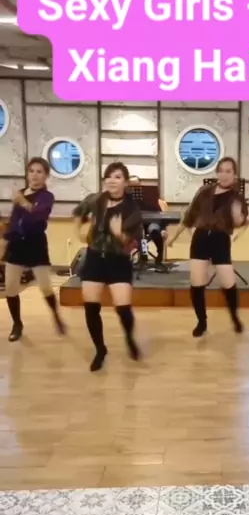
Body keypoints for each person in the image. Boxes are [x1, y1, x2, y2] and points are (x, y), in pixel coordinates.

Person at [72, 162, 143, 372]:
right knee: (91, 306)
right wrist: (79, 231)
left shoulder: (131, 208)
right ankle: (100, 349)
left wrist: (119, 233)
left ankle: (129, 337)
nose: (112, 181)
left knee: (123, 309)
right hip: (94, 257)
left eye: (118, 177)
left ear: (126, 183)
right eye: (109, 176)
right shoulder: (96, 200)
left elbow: (132, 244)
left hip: (118, 260)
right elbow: (78, 212)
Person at [167, 157, 248, 337]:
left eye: (229, 171)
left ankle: (234, 317)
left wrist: (238, 219)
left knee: (228, 282)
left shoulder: (236, 197)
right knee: (197, 283)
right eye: (222, 170)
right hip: (201, 237)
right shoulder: (205, 191)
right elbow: (189, 216)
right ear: (217, 172)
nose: (224, 175)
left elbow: (241, 222)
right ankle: (201, 322)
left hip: (221, 239)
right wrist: (174, 236)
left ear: (234, 175)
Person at [0, 157, 65, 342]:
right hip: (16, 244)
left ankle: (56, 315)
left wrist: (22, 201)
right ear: (27, 173)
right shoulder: (21, 194)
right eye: (32, 171)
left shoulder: (46, 196)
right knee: (11, 287)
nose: (35, 175)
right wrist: (5, 241)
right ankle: (17, 324)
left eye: (39, 172)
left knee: (45, 286)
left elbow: (39, 215)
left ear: (46, 176)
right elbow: (14, 221)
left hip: (36, 244)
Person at [129, 176, 167, 267]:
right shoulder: (126, 199)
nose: (134, 188)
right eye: (131, 185)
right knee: (139, 233)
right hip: (136, 225)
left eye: (136, 185)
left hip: (151, 222)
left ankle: (159, 257)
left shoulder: (149, 197)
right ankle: (143, 255)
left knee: (154, 230)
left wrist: (163, 228)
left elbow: (160, 215)